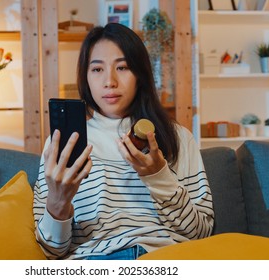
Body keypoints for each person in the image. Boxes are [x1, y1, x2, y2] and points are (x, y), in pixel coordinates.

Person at [33, 23, 214, 260]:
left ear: (140, 75)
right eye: (97, 69)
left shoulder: (178, 137)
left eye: (123, 67)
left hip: (162, 258)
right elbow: (51, 251)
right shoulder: (62, 145)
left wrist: (159, 176)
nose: (109, 81)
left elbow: (201, 234)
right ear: (85, 77)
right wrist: (59, 200)